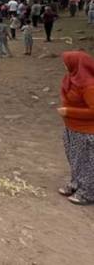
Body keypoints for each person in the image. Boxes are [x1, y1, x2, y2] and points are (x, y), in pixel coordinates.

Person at [57, 51, 94, 205]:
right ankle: (76, 183)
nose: (64, 65)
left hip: (86, 130)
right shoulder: (72, 78)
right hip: (71, 127)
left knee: (87, 161)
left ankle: (88, 192)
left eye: (66, 62)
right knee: (74, 158)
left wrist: (68, 111)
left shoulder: (88, 85)